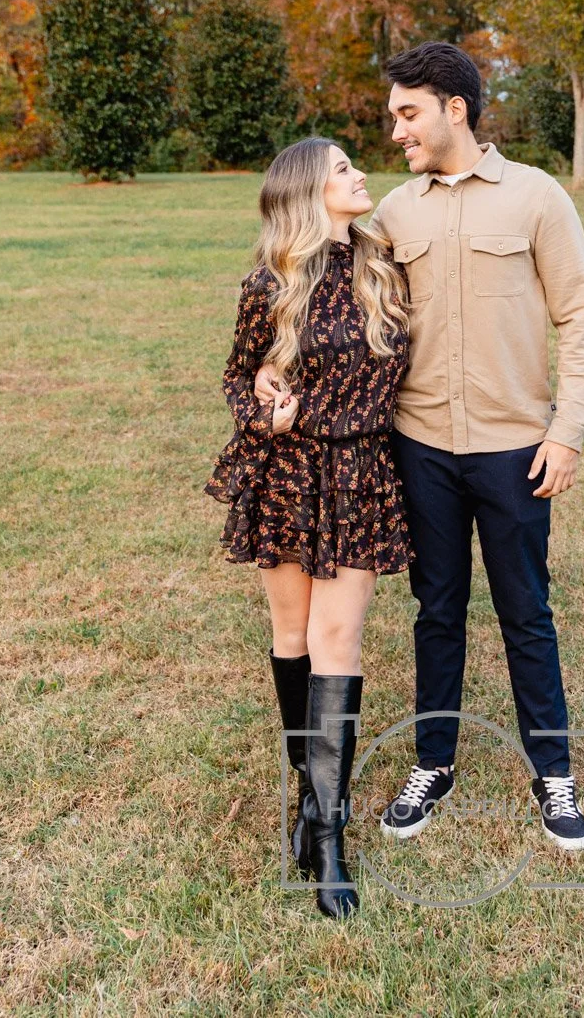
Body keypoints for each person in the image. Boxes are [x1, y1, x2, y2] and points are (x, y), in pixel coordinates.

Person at [257, 43, 584, 853]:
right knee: (436, 611)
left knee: (527, 613)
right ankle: (433, 763)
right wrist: (271, 371)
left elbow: (579, 323)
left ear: (455, 108)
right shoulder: (392, 217)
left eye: (407, 113)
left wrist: (567, 432)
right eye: (391, 117)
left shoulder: (539, 200)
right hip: (417, 449)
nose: (396, 131)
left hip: (516, 448)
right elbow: (320, 291)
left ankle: (552, 772)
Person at [206, 137, 412, 920]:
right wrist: (264, 406)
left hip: (358, 472)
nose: (361, 176)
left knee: (340, 640)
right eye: (344, 170)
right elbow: (236, 371)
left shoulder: (383, 265)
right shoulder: (271, 282)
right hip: (287, 472)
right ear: (308, 193)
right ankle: (307, 793)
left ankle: (329, 835)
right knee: (291, 632)